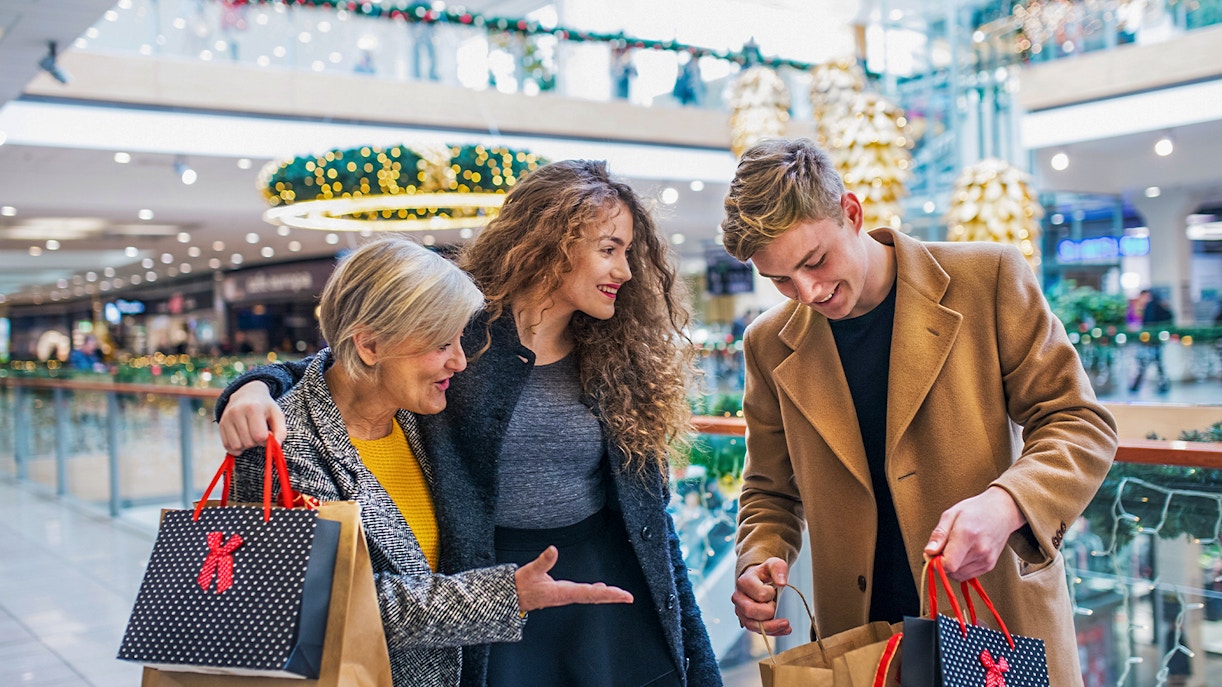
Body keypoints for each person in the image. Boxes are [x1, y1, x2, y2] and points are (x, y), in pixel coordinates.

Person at [215, 161, 721, 687]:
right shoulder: (462, 326)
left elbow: (650, 520)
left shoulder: (617, 352)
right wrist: (253, 386)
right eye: (609, 248)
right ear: (552, 241)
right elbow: (348, 364)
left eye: (627, 251)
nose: (626, 271)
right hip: (481, 589)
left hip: (601, 579)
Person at [720, 139, 1117, 687]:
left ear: (852, 213)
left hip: (993, 623)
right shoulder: (768, 342)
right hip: (860, 641)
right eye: (780, 280)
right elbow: (769, 489)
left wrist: (1007, 504)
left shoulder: (989, 277)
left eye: (815, 261)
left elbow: (1077, 420)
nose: (808, 291)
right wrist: (758, 559)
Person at [227, 237, 634, 687]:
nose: (460, 362)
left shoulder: (420, 414)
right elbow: (325, 603)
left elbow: (320, 363)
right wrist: (506, 596)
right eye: (441, 343)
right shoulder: (284, 446)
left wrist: (252, 383)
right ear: (369, 345)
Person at [1130, 288, 1173, 393]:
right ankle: (1162, 385)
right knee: (1154, 363)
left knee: (1145, 363)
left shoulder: (1151, 306)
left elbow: (1148, 323)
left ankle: (1137, 385)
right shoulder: (1153, 306)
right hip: (1153, 341)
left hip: (1150, 342)